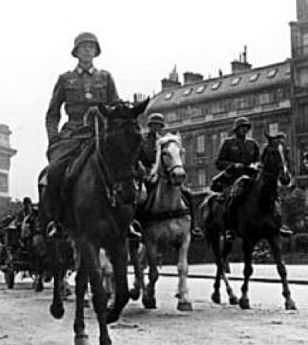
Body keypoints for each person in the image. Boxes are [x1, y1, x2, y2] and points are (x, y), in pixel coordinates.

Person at [42, 32, 119, 238]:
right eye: (83, 47)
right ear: (76, 52)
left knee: (129, 169)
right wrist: (54, 139)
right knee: (55, 171)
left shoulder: (105, 77)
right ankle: (58, 221)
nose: (87, 50)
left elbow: (116, 107)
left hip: (101, 133)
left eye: (91, 47)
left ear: (96, 51)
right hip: (73, 134)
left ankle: (129, 220)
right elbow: (52, 114)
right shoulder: (65, 79)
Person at [137, 113, 201, 237]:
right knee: (141, 198)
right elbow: (139, 159)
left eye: (159, 126)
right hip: (149, 174)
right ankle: (138, 225)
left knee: (187, 194)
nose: (157, 128)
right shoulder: (143, 142)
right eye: (154, 125)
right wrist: (144, 172)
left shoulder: (167, 142)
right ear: (150, 126)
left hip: (166, 175)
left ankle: (194, 227)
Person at [212, 117, 261, 240]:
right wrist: (233, 165)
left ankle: (273, 224)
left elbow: (258, 160)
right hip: (233, 178)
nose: (244, 130)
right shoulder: (228, 143)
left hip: (250, 176)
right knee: (233, 198)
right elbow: (218, 162)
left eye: (246, 127)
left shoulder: (253, 144)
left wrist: (256, 165)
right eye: (241, 127)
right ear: (236, 129)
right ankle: (229, 228)